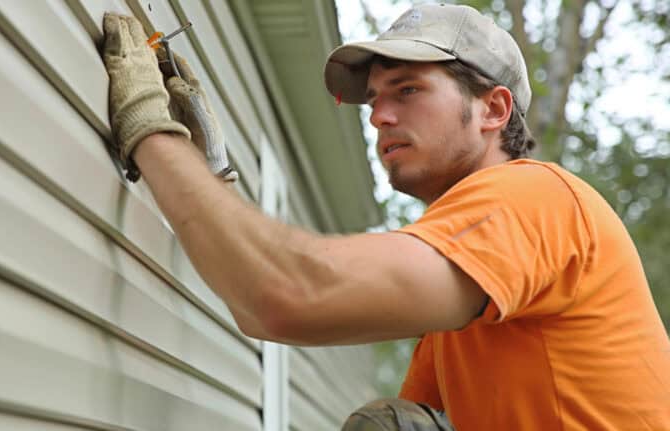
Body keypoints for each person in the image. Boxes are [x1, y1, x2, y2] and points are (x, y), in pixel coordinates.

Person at [101, 4, 670, 430]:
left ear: (493, 109)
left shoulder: (531, 197)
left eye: (408, 89)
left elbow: (286, 293)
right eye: (375, 100)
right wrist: (205, 177)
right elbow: (258, 302)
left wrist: (150, 127)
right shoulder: (469, 290)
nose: (379, 118)